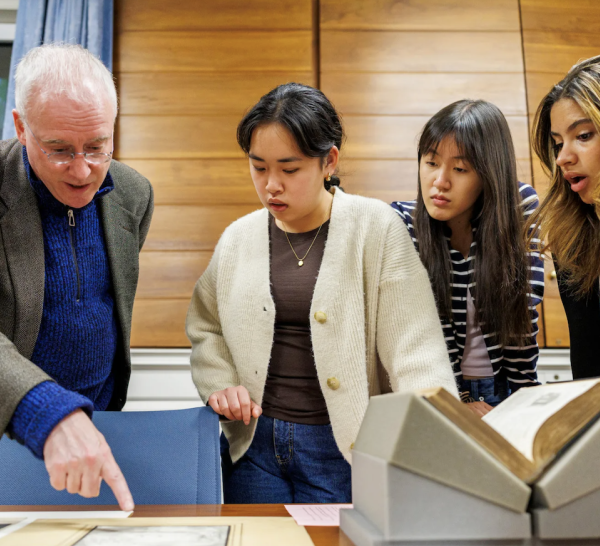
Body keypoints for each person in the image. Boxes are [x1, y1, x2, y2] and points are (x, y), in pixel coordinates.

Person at [186, 83, 458, 504]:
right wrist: (220, 383)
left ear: (329, 161)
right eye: (259, 168)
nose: (271, 185)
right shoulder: (238, 238)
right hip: (254, 446)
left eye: (289, 169)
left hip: (343, 446)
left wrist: (438, 441)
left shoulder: (376, 228)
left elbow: (415, 347)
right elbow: (207, 326)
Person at [0, 43, 154, 509]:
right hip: (13, 418)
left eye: (97, 146)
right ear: (22, 127)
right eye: (60, 150)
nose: (83, 170)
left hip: (96, 428)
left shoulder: (134, 194)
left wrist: (85, 419)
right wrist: (47, 410)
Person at [392, 100, 544, 416]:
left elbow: (521, 315)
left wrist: (524, 399)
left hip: (506, 388)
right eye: (431, 163)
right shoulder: (402, 223)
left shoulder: (519, 208)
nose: (440, 182)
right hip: (434, 393)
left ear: (489, 173)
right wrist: (459, 401)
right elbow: (422, 330)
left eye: (460, 169)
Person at [527, 56, 600, 379]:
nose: (562, 158)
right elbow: (587, 363)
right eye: (557, 143)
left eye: (583, 135)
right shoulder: (572, 239)